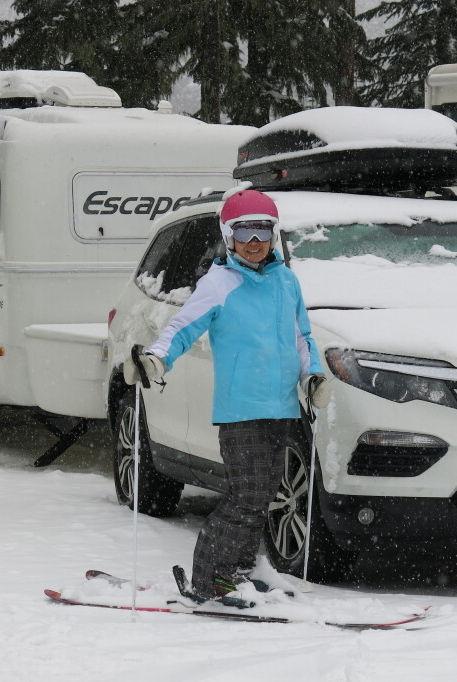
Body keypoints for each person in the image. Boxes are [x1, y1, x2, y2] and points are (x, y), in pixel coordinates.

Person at [123, 188, 332, 601]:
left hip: (283, 408)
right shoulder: (218, 284)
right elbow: (182, 328)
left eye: (263, 232)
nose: (254, 243)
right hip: (241, 410)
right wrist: (155, 360)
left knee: (263, 497)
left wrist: (313, 376)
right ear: (228, 235)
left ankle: (241, 569)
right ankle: (210, 578)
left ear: (274, 235)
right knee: (246, 496)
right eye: (244, 233)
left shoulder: (286, 281)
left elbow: (302, 337)